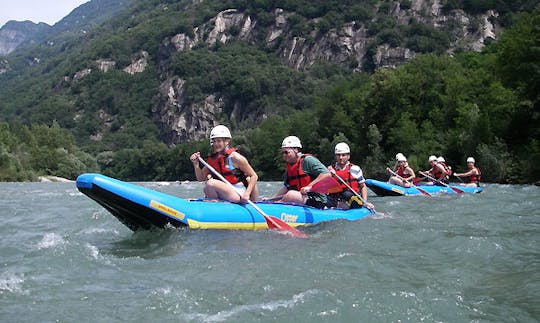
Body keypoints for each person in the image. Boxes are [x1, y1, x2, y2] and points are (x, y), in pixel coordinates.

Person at [189, 125, 258, 203]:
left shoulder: (236, 157)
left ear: (227, 141)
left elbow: (254, 176)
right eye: (214, 141)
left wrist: (247, 194)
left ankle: (215, 205)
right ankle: (214, 204)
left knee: (211, 183)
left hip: (238, 192)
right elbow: (200, 178)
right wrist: (196, 164)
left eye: (219, 141)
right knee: (207, 187)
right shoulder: (213, 159)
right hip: (226, 193)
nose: (216, 144)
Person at [271, 136, 331, 209]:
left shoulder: (308, 160)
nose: (284, 155)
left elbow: (327, 174)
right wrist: (271, 199)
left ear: (296, 150)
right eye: (283, 153)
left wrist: (310, 186)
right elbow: (286, 187)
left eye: (286, 152)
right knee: (286, 195)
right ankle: (274, 205)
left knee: (290, 195)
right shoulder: (290, 166)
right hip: (301, 198)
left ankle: (277, 207)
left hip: (317, 200)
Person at [327, 142, 374, 209]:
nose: (340, 157)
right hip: (336, 199)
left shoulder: (355, 169)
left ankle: (349, 206)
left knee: (347, 194)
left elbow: (363, 186)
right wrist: (328, 174)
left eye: (343, 155)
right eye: (338, 155)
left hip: (352, 199)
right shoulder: (329, 170)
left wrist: (365, 202)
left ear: (348, 156)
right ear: (335, 156)